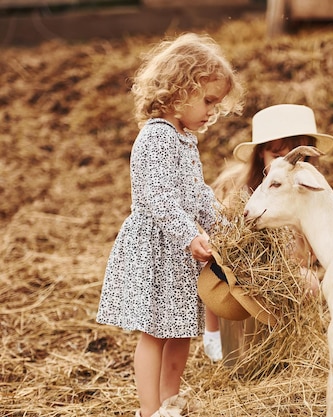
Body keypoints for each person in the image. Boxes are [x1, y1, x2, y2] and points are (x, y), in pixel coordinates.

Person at [96, 33, 244, 417]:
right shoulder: (156, 138)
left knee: (180, 330)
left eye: (217, 104)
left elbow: (196, 194)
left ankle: (169, 402)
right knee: (155, 332)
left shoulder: (185, 139)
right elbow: (159, 198)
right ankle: (148, 410)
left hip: (181, 252)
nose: (212, 111)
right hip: (158, 248)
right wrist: (190, 234)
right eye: (208, 100)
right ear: (180, 89)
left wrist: (223, 224)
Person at [202, 103, 333, 364]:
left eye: (299, 158)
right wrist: (212, 330)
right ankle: (229, 348)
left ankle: (288, 348)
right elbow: (215, 262)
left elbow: (316, 253)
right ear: (261, 154)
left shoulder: (309, 192)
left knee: (309, 282)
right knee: (230, 283)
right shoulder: (236, 194)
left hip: (283, 285)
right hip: (240, 283)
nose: (287, 166)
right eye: (277, 156)